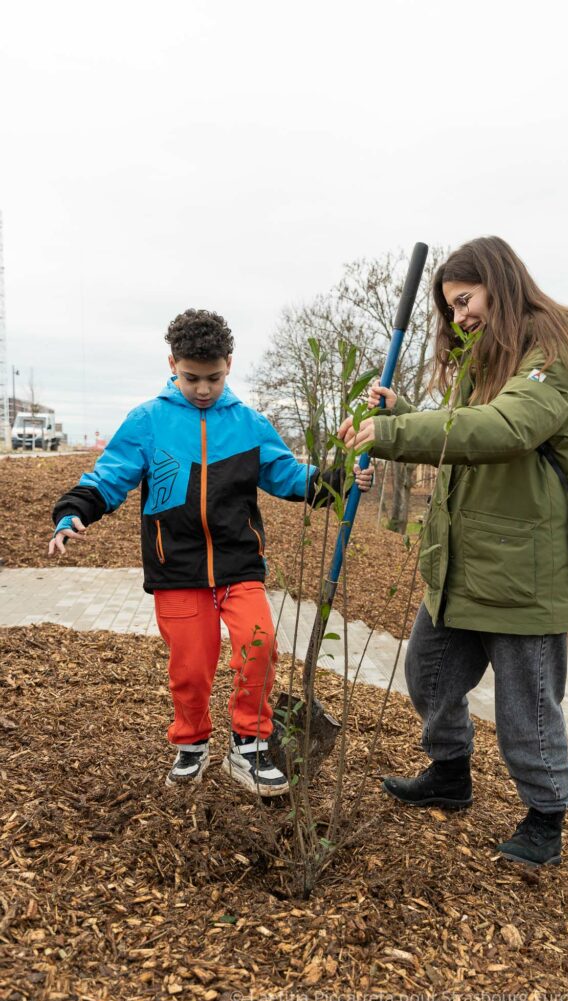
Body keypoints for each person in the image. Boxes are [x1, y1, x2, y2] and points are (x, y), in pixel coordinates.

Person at [338, 237, 568, 867]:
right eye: (450, 309)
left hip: (522, 567)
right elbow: (463, 430)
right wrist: (406, 411)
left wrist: (395, 432)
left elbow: (506, 428)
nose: (459, 318)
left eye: (465, 300)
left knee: (526, 706)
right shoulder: (485, 360)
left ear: (498, 285)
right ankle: (450, 775)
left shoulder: (550, 350)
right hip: (462, 561)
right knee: (428, 674)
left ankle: (545, 815)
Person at [49, 309, 373, 796]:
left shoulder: (248, 424)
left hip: (238, 564)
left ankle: (249, 744)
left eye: (214, 378)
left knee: (260, 645)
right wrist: (74, 511)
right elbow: (109, 475)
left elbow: (289, 476)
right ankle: (192, 743)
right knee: (191, 666)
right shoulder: (148, 421)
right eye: (191, 378)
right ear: (172, 364)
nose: (203, 389)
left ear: (229, 366)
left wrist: (341, 480)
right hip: (175, 567)